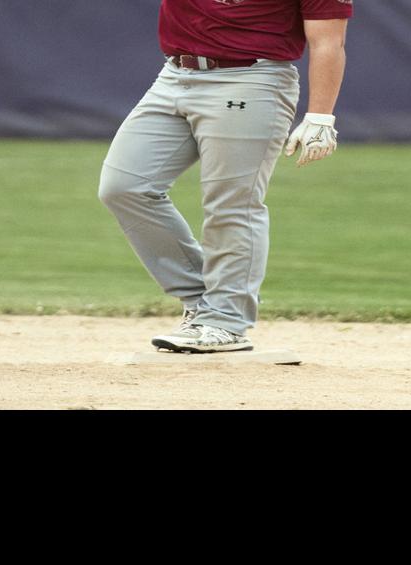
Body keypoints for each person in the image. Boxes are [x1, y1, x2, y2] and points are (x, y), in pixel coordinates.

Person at [99, 0, 353, 353]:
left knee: (232, 203)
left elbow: (328, 41)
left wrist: (321, 117)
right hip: (175, 75)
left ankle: (226, 321)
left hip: (251, 80)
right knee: (124, 186)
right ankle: (206, 302)